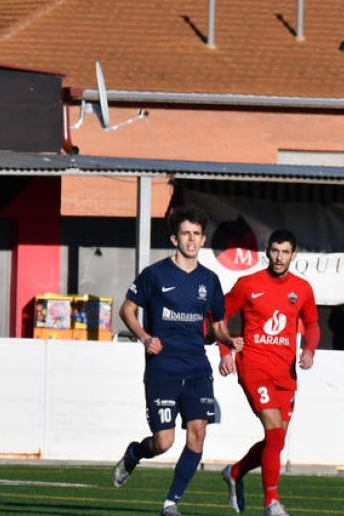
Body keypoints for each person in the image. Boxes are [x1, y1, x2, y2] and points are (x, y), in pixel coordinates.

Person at [112, 206, 238, 516]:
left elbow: (218, 324)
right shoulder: (155, 274)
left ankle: (171, 503)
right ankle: (134, 453)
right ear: (174, 238)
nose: (191, 239)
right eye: (186, 234)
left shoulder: (210, 280)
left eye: (196, 234)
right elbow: (127, 309)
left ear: (203, 239)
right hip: (163, 369)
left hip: (197, 368)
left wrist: (228, 339)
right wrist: (145, 337)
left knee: (198, 433)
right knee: (164, 442)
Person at [218, 229, 319, 516]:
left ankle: (235, 471)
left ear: (293, 255)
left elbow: (312, 325)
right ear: (267, 251)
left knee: (277, 439)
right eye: (275, 250)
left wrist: (309, 350)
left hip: (286, 374)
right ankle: (271, 503)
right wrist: (226, 351)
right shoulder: (248, 284)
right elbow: (218, 314)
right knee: (274, 430)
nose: (279, 257)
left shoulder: (302, 289)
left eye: (285, 251)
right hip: (254, 366)